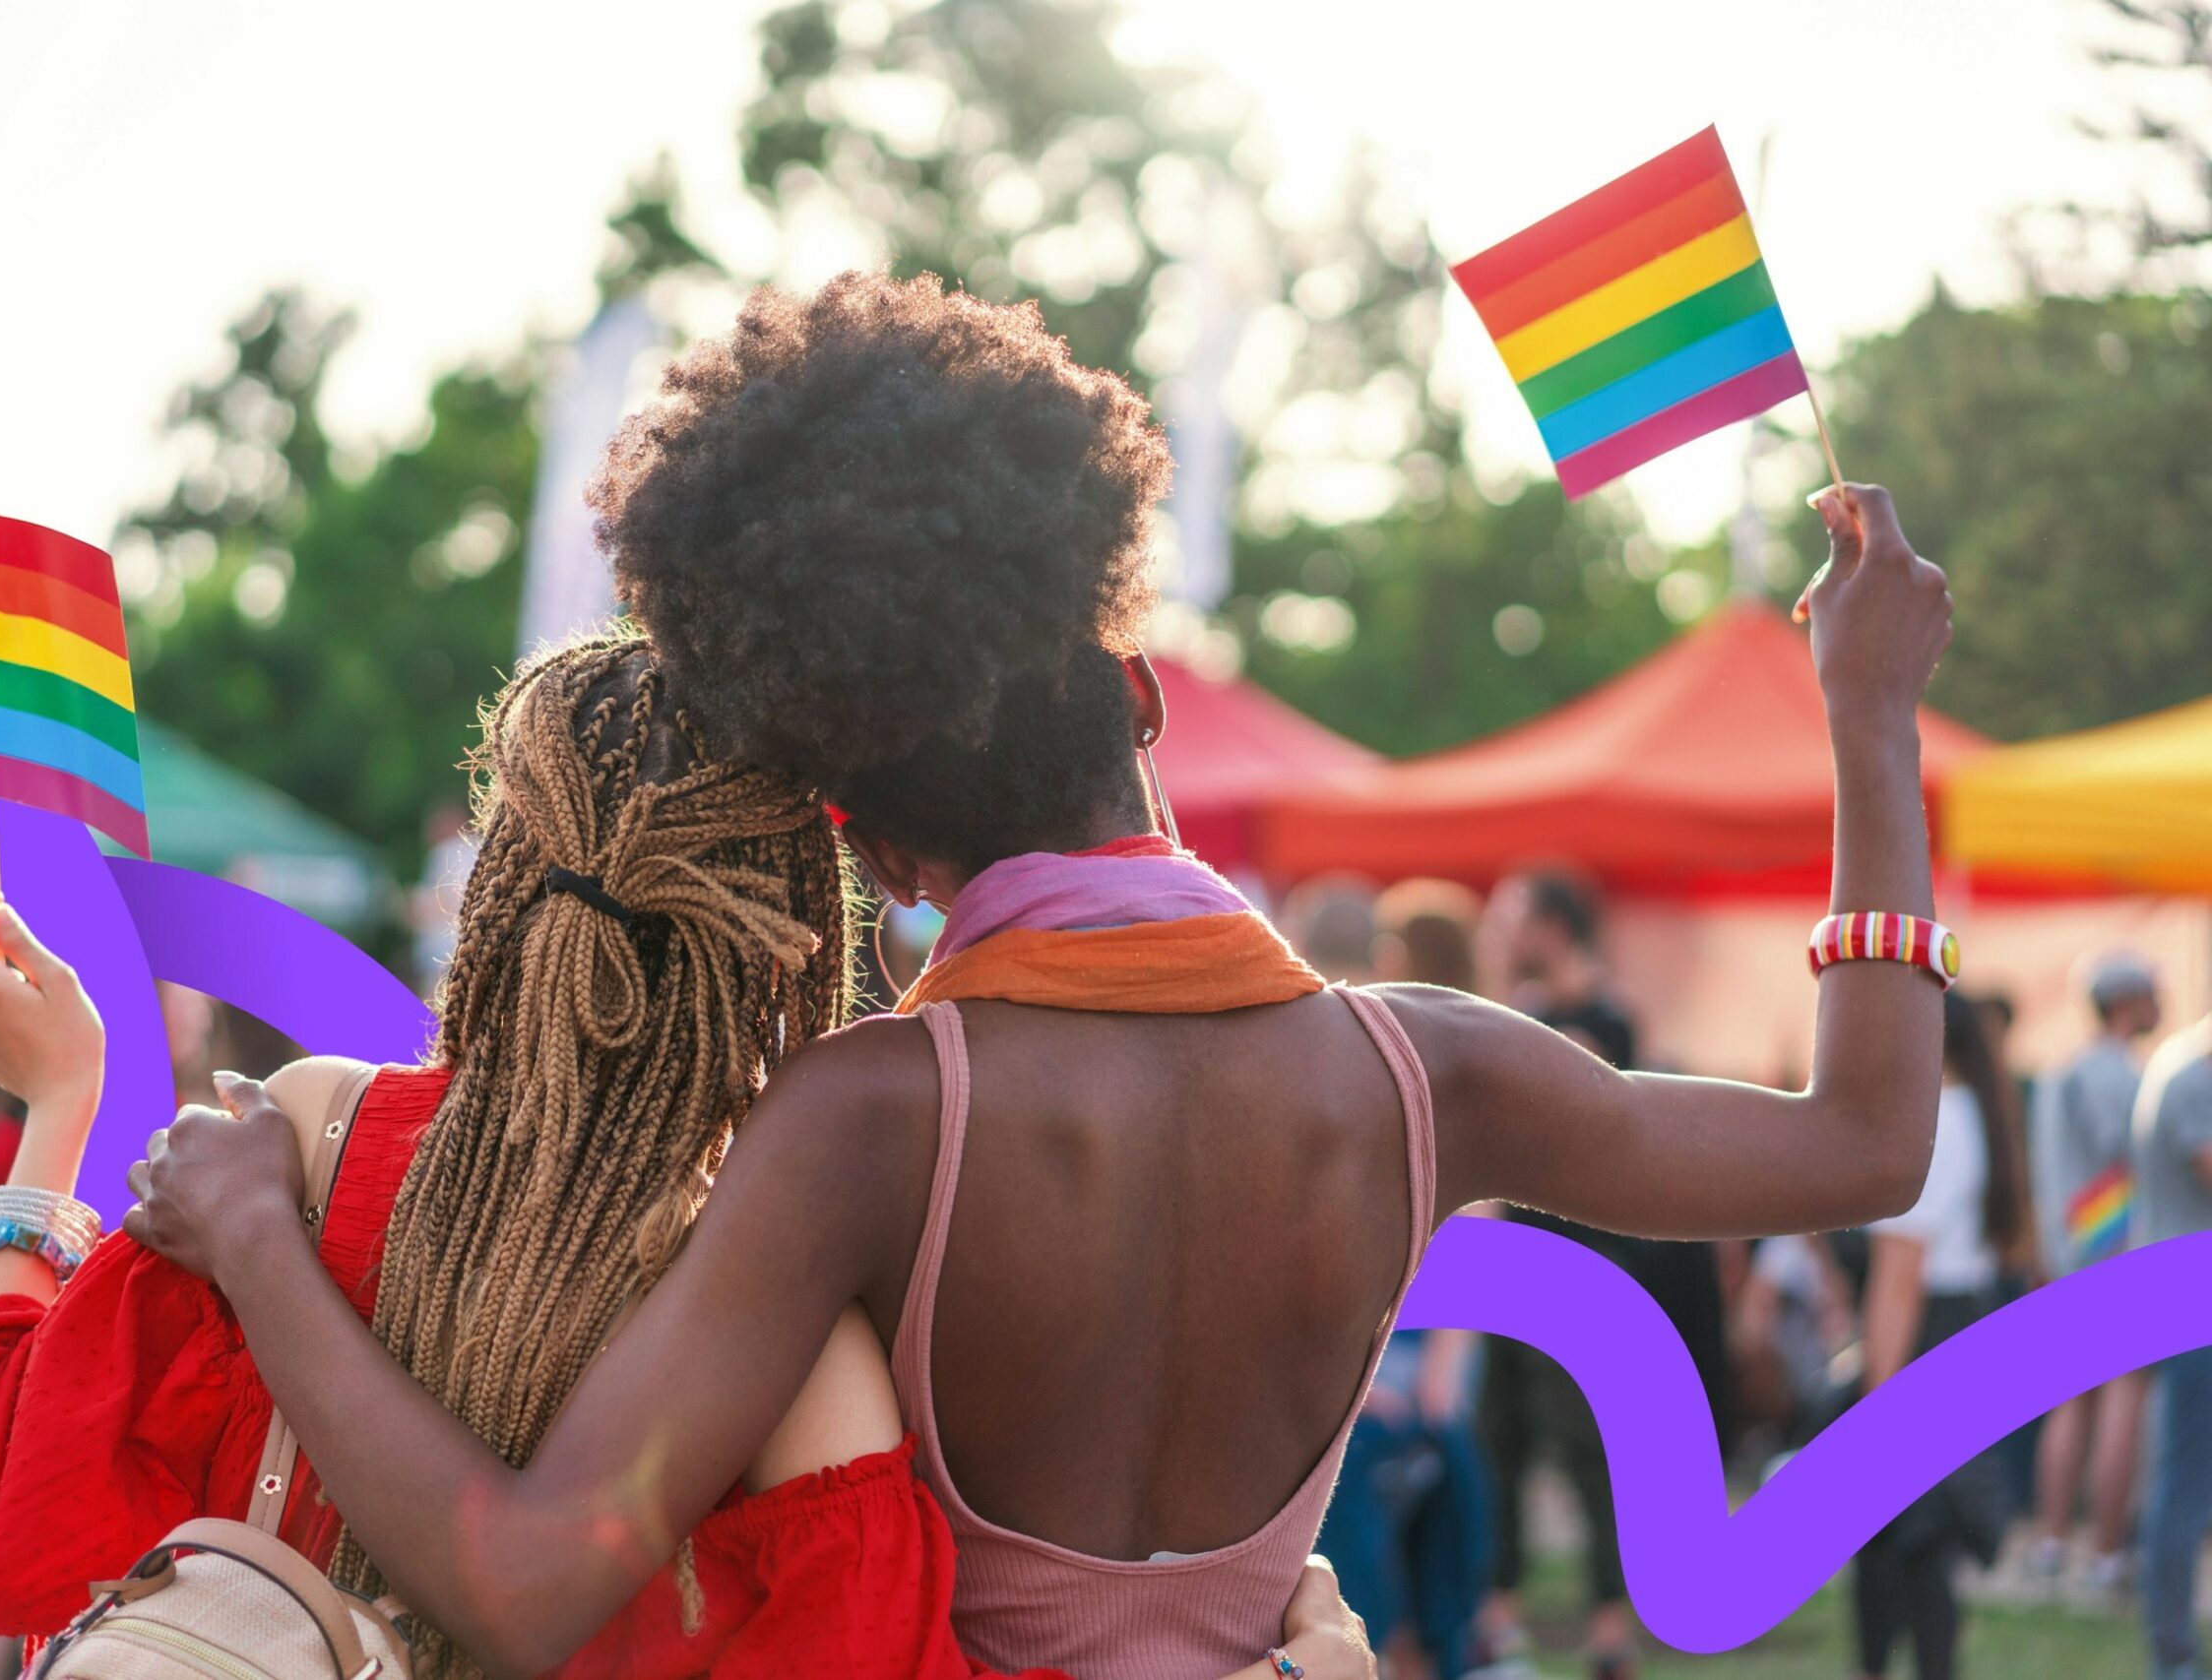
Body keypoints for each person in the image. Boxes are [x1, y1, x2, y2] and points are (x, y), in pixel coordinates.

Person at [120, 277, 1954, 1680]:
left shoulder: (868, 1117)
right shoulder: (1426, 1072)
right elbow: (1865, 1144)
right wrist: (1870, 720)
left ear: (866, 830)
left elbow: (527, 1575)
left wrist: (259, 1237)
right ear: (1146, 697)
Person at [0, 633, 1369, 1680]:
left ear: (505, 872)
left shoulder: (306, 1149)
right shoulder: (785, 1332)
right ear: (788, 943)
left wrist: (56, 1107)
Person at [1474, 866, 1715, 1679]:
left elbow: (1576, 1087)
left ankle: (1611, 1628)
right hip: (1514, 1263)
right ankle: (1499, 1612)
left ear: (1553, 925)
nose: (1503, 936)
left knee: (1589, 1454)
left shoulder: (1603, 1017)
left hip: (1582, 1272)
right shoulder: (1525, 1013)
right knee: (1499, 1439)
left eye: (1514, 920)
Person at [1321, 885, 1493, 1680]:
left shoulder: (1431, 1058)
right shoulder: (1361, 1059)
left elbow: (1473, 1217)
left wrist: (1442, 1367)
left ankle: (1430, 1646)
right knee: (1380, 1503)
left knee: (1440, 1485)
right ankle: (1403, 1647)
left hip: (1410, 1354)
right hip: (1374, 1362)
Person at [1851, 991, 2026, 1680]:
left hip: (1923, 1334)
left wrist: (1874, 1394)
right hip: (1960, 1326)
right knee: (1928, 1541)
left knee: (1898, 1538)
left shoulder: (1935, 1127)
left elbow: (1899, 1277)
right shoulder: (1977, 1112)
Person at [2027, 954, 2161, 1590]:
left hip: (2064, 1255)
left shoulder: (2060, 1072)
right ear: (2129, 999)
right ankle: (2107, 1552)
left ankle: (2051, 1541)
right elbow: (2124, 1169)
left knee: (2066, 1403)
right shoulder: (2120, 1076)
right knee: (2122, 1397)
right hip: (2111, 1258)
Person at [2133, 1009, 2212, 1680]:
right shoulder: (2193, 1075)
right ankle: (2173, 1650)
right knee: (2185, 1479)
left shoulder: (2180, 1063)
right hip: (2191, 1299)